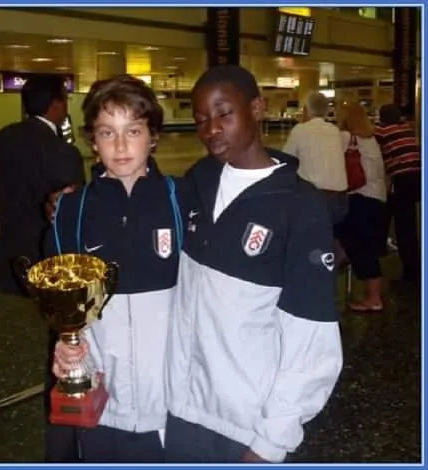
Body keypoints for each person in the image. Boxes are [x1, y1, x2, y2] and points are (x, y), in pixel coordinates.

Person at [164, 65, 343, 463]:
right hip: (180, 407)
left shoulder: (299, 207)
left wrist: (271, 442)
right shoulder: (201, 180)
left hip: (243, 425)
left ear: (257, 108)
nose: (212, 129)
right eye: (201, 120)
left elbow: (311, 341)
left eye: (224, 113)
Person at [46, 74, 187, 463]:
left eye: (134, 131)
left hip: (173, 404)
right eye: (108, 133)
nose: (121, 146)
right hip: (104, 404)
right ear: (93, 140)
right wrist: (66, 346)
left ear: (153, 136)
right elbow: (65, 309)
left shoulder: (182, 201)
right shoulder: (71, 212)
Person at [0, 75, 84, 462]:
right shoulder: (63, 151)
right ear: (56, 106)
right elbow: (73, 214)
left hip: (13, 254)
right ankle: (65, 402)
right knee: (64, 336)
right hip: (52, 262)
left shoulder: (4, 138)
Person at [335, 102, 387, 312]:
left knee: (360, 246)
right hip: (377, 198)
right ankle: (371, 293)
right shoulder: (371, 138)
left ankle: (373, 298)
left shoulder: (346, 138)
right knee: (367, 247)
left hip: (359, 198)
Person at [283, 91, 348, 226]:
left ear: (307, 109)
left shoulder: (300, 130)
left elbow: (286, 159)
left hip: (315, 199)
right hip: (340, 199)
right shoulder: (335, 131)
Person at [375, 104, 421, 283]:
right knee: (405, 220)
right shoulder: (407, 128)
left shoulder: (383, 131)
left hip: (401, 179)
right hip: (417, 177)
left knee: (401, 224)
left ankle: (408, 268)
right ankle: (410, 264)